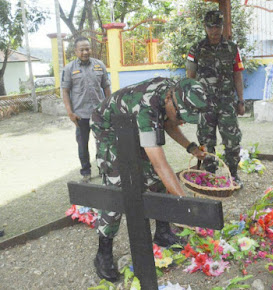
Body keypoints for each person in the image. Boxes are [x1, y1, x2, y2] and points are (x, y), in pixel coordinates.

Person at [91, 77, 207, 281]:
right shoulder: (147, 107)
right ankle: (103, 252)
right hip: (107, 127)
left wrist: (190, 147)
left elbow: (169, 122)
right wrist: (187, 207)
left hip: (132, 126)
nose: (182, 121)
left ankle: (162, 232)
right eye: (181, 116)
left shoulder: (171, 93)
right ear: (171, 99)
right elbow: (161, 165)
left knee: (156, 180)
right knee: (118, 186)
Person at [186, 10, 245, 187]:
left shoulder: (232, 48)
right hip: (205, 105)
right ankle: (210, 176)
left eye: (217, 26)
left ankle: (232, 175)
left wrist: (241, 101)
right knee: (206, 142)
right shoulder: (196, 49)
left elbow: (237, 75)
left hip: (227, 103)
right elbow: (190, 77)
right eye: (210, 27)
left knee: (232, 140)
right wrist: (190, 102)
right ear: (205, 27)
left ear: (222, 26)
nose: (214, 31)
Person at [62, 36, 111, 183]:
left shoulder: (99, 65)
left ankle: (104, 169)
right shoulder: (69, 68)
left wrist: (109, 106)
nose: (85, 52)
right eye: (82, 49)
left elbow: (106, 87)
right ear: (76, 51)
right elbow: (65, 91)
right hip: (80, 114)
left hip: (99, 113)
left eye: (87, 48)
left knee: (103, 143)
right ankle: (86, 172)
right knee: (83, 144)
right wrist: (70, 112)